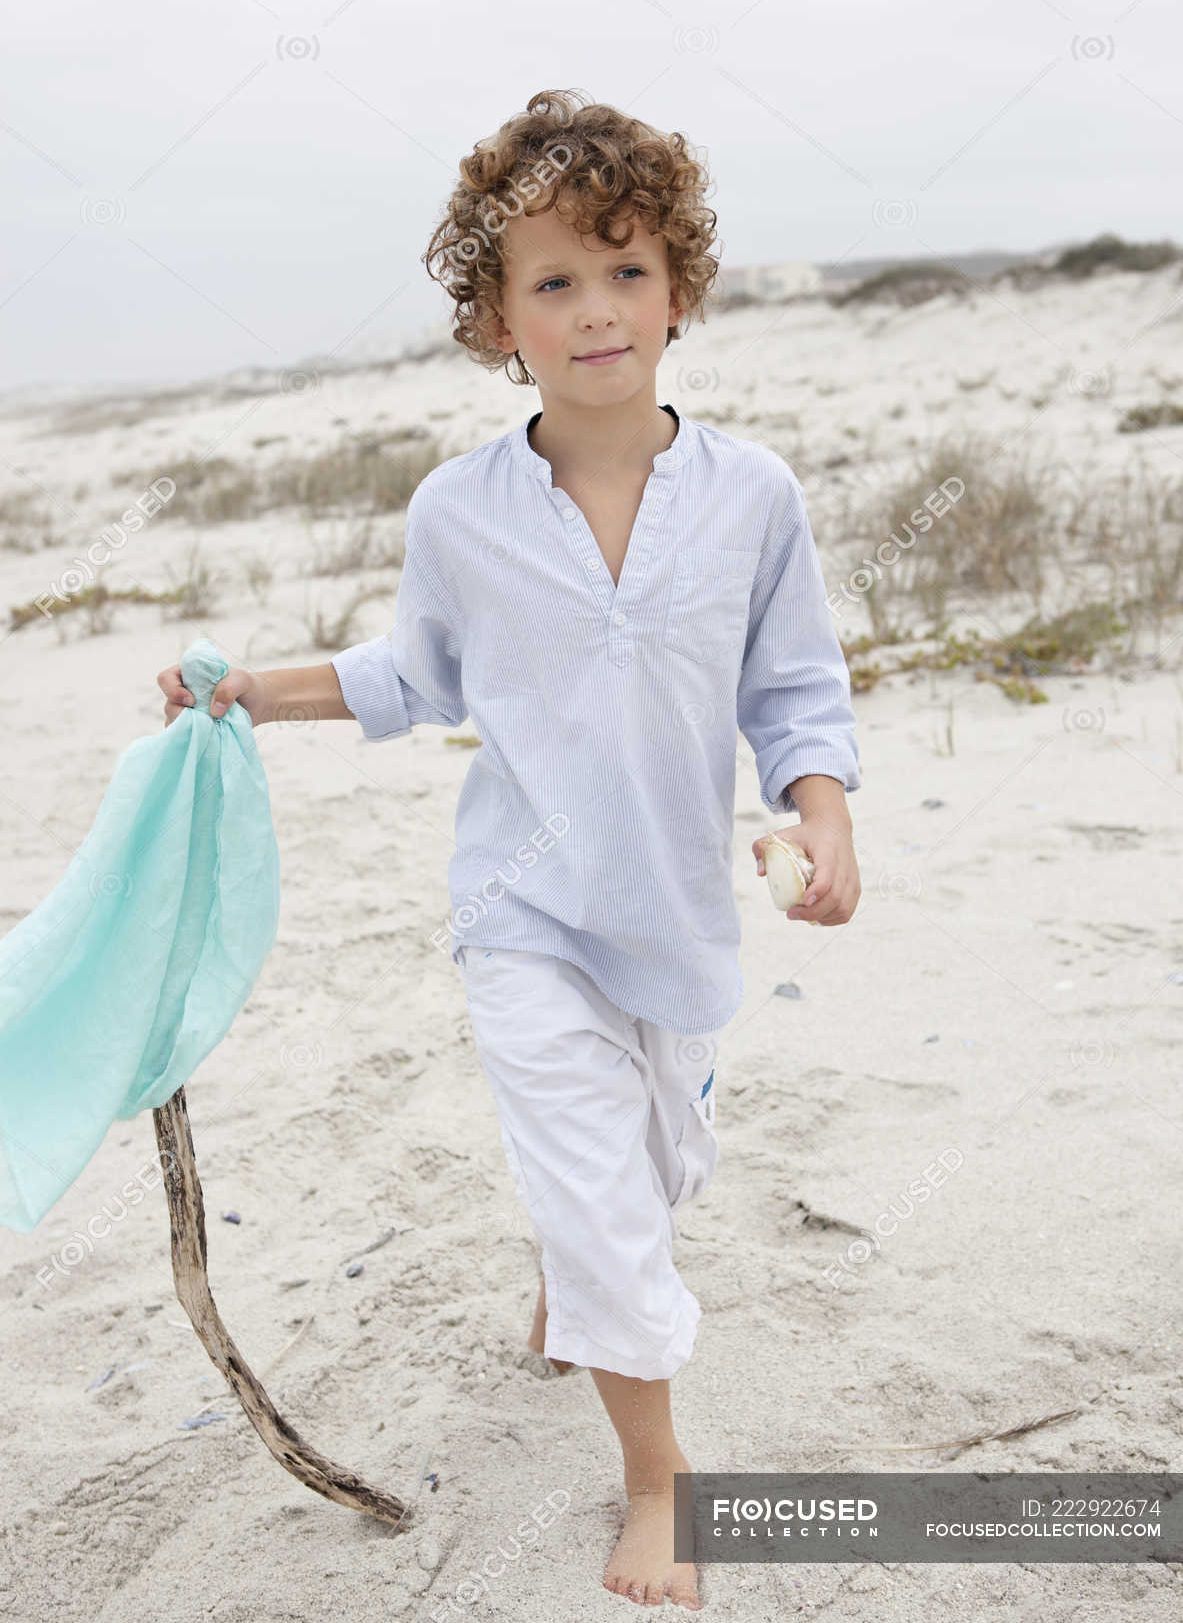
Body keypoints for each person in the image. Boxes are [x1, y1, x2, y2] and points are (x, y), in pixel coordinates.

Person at [157, 88, 862, 1610]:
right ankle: (661, 1484)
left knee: (655, 1173)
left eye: (625, 268)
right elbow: (417, 674)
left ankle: (580, 1259)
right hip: (523, 912)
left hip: (675, 925)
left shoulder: (753, 500)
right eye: (553, 280)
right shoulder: (459, 516)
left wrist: (821, 812)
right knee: (604, 1197)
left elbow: (793, 685)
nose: (595, 308)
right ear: (497, 318)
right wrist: (251, 692)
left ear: (680, 291)